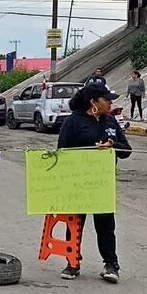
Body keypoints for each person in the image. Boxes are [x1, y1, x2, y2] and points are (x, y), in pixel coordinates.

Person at [56, 84, 131, 283]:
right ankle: (72, 262)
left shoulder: (111, 121)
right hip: (77, 183)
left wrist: (113, 145)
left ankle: (111, 265)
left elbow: (126, 151)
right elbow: (61, 153)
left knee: (106, 224)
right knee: (75, 222)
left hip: (102, 183)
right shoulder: (72, 122)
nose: (110, 102)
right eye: (106, 99)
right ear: (94, 102)